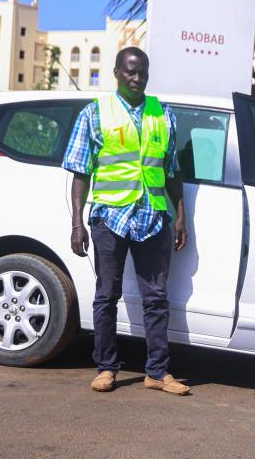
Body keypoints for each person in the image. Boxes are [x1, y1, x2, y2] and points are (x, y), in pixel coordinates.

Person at [62, 46, 190, 395]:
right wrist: (77, 223)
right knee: (106, 296)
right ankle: (105, 368)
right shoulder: (95, 113)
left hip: (152, 215)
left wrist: (180, 216)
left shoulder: (162, 114)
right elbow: (79, 173)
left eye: (143, 73)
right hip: (110, 216)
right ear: (117, 72)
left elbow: (171, 171)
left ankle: (158, 373)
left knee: (156, 298)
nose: (137, 78)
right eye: (131, 71)